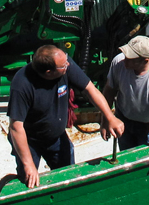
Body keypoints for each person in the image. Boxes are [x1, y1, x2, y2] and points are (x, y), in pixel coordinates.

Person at [8, 44, 123, 189]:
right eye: (63, 66)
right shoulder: (22, 85)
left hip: (56, 138)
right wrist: (28, 164)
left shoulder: (65, 64)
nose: (68, 65)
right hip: (30, 142)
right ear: (49, 72)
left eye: (66, 60)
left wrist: (110, 118)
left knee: (68, 178)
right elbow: (16, 127)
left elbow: (90, 89)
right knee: (28, 180)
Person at [103, 35, 149, 164]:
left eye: (130, 58)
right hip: (123, 122)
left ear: (145, 60)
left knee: (147, 162)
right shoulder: (118, 63)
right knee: (127, 160)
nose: (125, 60)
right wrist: (105, 120)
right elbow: (109, 90)